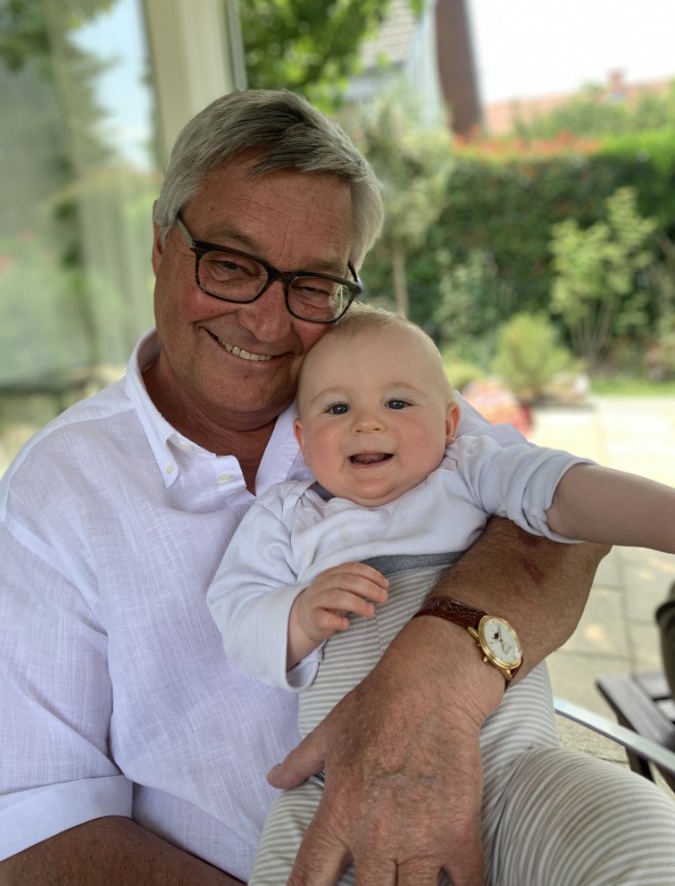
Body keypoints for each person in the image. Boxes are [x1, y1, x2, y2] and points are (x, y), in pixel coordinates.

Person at [0, 88, 641, 885]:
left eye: (312, 285)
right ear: (162, 246)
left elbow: (557, 522)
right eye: (230, 265)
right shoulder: (56, 494)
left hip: (497, 839)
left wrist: (437, 670)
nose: (267, 323)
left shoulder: (367, 399)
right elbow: (35, 825)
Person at [208, 306, 675, 884]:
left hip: (516, 776)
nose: (367, 423)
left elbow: (563, 492)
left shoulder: (469, 472)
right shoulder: (288, 515)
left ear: (451, 423)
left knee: (643, 831)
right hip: (341, 789)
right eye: (337, 408)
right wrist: (298, 616)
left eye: (397, 403)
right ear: (302, 440)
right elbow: (236, 612)